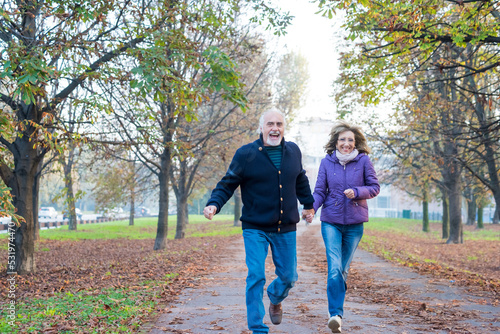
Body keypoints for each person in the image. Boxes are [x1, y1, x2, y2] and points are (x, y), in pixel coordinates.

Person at [203, 108, 315, 334]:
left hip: (285, 228)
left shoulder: (293, 151)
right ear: (261, 128)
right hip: (255, 227)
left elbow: (300, 179)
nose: (275, 129)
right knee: (256, 275)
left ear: (284, 128)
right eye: (270, 124)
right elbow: (228, 183)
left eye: (279, 124)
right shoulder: (246, 154)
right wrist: (214, 203)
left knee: (289, 277)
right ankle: (257, 328)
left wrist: (309, 204)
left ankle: (275, 297)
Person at [308, 121, 380, 333]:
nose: (346, 143)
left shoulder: (364, 161)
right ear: (336, 142)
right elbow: (320, 190)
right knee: (334, 268)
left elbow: (374, 187)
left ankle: (336, 311)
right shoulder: (326, 162)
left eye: (350, 140)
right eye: (342, 140)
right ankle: (335, 315)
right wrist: (311, 208)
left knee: (343, 269)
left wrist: (357, 192)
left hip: (355, 224)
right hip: (331, 220)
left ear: (355, 142)